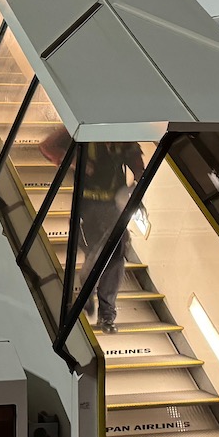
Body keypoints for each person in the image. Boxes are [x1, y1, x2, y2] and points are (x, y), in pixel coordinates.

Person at [40, 131, 146, 333]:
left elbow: (136, 160)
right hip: (86, 207)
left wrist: (138, 183)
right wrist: (73, 160)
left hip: (113, 207)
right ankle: (87, 296)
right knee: (96, 255)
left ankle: (105, 313)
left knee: (114, 258)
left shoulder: (121, 135)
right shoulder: (78, 130)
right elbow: (47, 146)